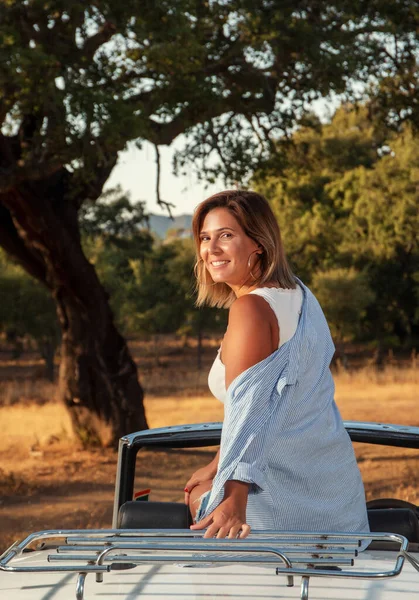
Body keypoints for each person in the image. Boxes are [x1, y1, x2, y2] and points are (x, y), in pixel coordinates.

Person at [184, 190, 370, 540]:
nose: (211, 249)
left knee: (195, 499)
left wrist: (232, 496)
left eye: (227, 235)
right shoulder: (300, 295)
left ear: (259, 242)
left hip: (281, 496)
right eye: (205, 238)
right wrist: (217, 463)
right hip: (335, 490)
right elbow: (274, 398)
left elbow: (252, 408)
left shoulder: (252, 309)